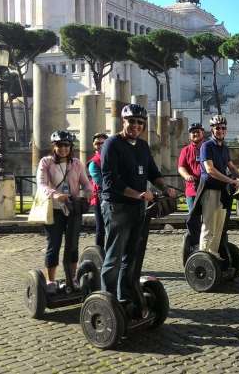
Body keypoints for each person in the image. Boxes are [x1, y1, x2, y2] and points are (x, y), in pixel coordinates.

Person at [100, 104, 177, 304]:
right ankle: (107, 300)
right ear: (123, 121)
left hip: (138, 208)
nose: (136, 126)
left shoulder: (142, 146)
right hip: (117, 207)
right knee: (115, 256)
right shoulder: (111, 144)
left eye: (140, 123)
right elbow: (111, 181)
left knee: (132, 255)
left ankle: (124, 296)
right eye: (132, 121)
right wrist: (139, 194)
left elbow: (152, 172)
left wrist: (164, 188)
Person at [36, 130, 92, 294]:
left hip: (73, 208)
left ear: (70, 147)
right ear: (54, 146)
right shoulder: (46, 162)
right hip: (54, 209)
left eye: (66, 145)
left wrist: (88, 193)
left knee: (72, 245)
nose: (63, 148)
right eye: (59, 145)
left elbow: (86, 183)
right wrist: (56, 195)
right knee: (53, 245)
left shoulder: (76, 163)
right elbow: (42, 184)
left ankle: (72, 278)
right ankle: (51, 280)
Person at [192, 115, 239, 259]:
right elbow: (210, 170)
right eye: (217, 128)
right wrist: (231, 181)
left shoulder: (224, 148)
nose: (220, 130)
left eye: (223, 128)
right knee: (209, 226)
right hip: (209, 189)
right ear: (212, 130)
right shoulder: (206, 146)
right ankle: (203, 257)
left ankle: (213, 255)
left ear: (225, 130)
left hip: (222, 190)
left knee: (219, 226)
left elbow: (231, 166)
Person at [87, 132, 108, 250]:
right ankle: (99, 254)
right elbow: (100, 182)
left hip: (114, 196)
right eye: (97, 143)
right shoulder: (94, 163)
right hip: (100, 197)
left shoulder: (114, 157)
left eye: (102, 143)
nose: (99, 145)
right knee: (101, 228)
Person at [178, 123, 205, 212]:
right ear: (189, 135)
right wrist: (186, 176)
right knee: (193, 217)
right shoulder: (185, 150)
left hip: (208, 189)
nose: (195, 134)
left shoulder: (208, 148)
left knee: (208, 218)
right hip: (192, 189)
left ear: (202, 133)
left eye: (198, 132)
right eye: (193, 132)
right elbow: (181, 167)